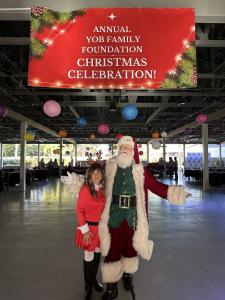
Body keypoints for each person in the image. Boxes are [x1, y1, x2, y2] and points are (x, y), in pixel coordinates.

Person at [99, 136, 190, 300]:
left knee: (130, 247)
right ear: (118, 149)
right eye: (122, 147)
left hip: (133, 216)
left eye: (128, 147)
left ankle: (128, 275)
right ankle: (111, 288)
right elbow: (97, 185)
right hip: (114, 215)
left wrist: (178, 193)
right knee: (112, 249)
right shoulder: (110, 167)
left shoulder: (140, 170)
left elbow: (157, 187)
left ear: (133, 150)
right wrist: (77, 184)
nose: (124, 150)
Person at [69, 163, 106, 300]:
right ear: (90, 175)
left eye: (99, 172)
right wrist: (85, 231)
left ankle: (94, 281)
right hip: (88, 229)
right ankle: (88, 286)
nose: (97, 175)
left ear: (102, 176)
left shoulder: (102, 191)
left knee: (97, 256)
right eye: (94, 172)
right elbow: (79, 211)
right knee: (89, 256)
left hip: (100, 229)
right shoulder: (85, 190)